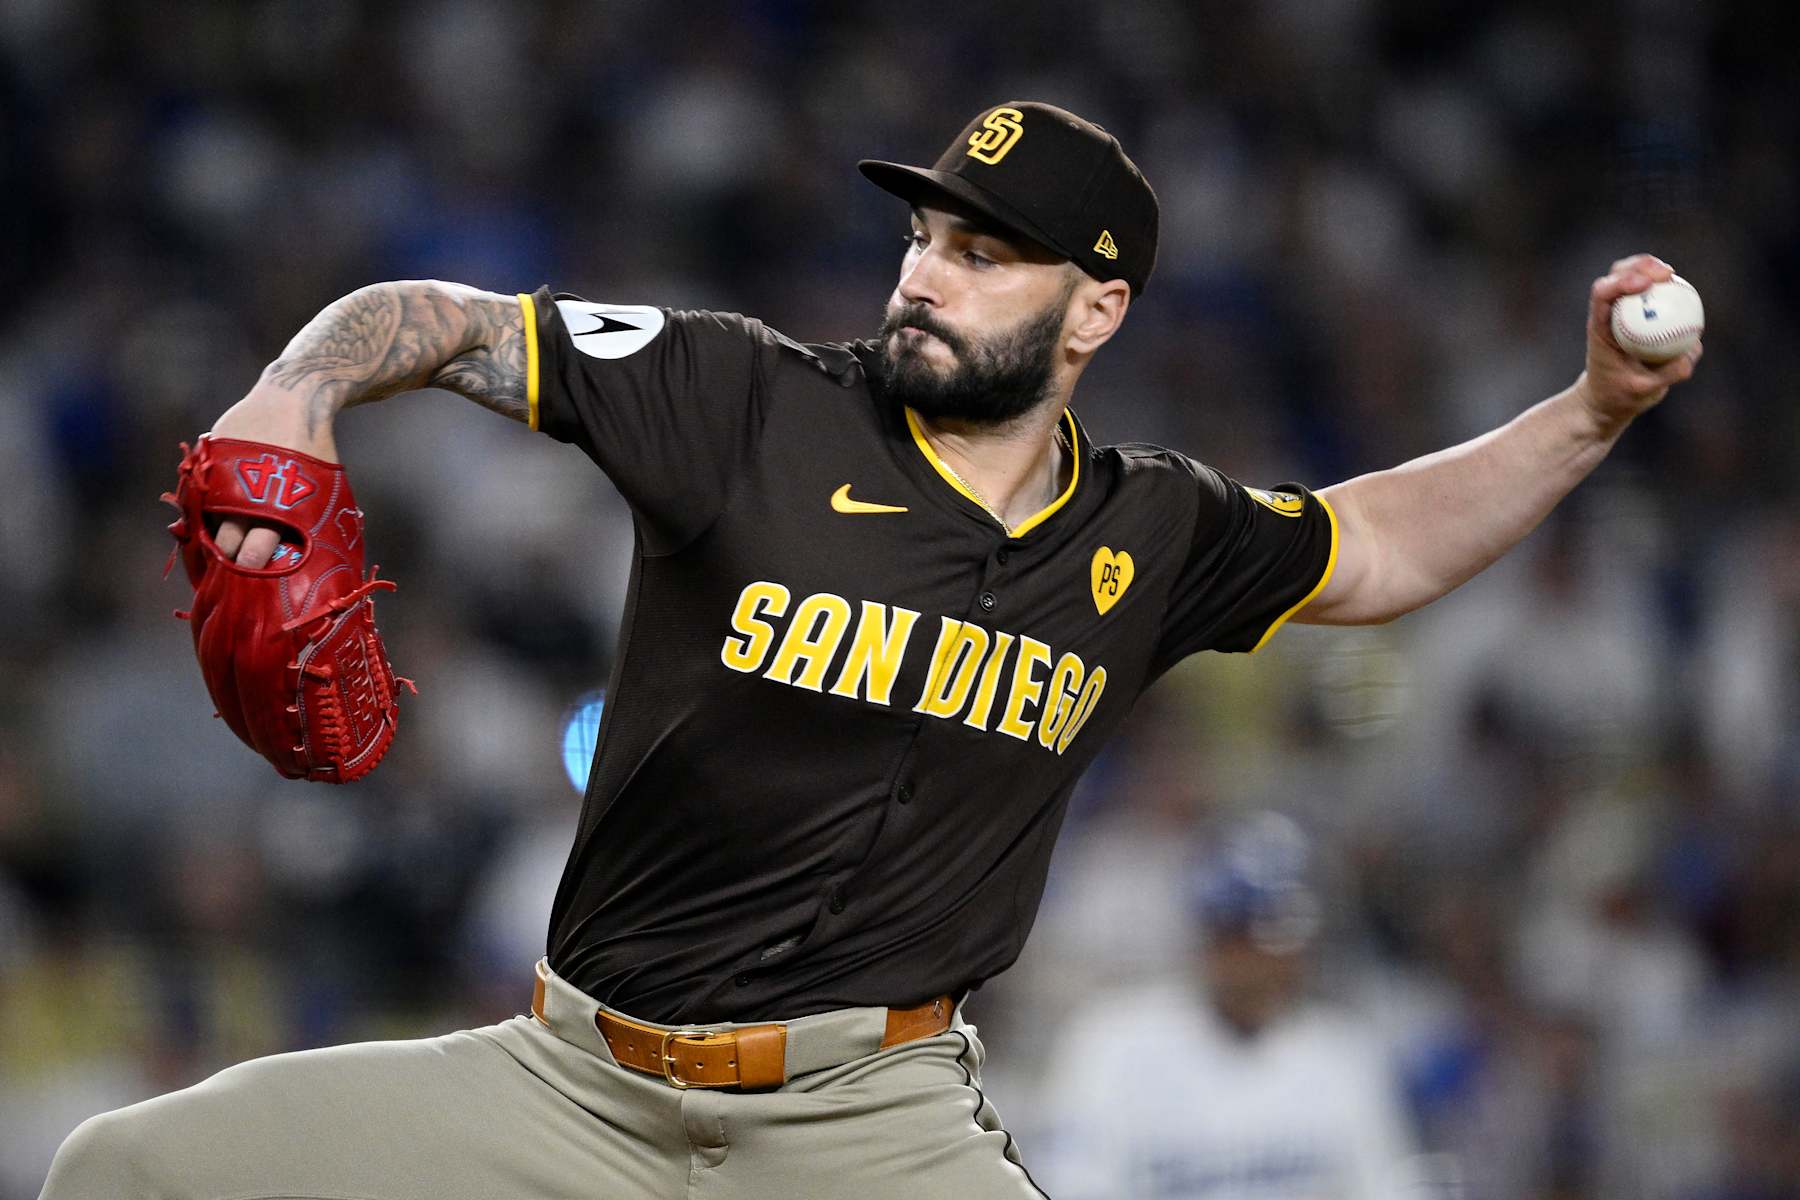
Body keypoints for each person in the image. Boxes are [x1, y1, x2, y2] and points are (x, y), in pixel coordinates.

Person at [42, 100, 1698, 1199]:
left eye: (984, 254)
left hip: (867, 1127)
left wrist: (1589, 413)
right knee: (127, 1174)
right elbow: (457, 322)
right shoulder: (739, 396)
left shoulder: (1153, 533)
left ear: (1097, 312)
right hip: (567, 1089)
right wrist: (299, 388)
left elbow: (1386, 541)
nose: (928, 271)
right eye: (923, 235)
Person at [1036, 813, 1423, 1199]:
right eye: (1238, 935)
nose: (1256, 959)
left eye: (1279, 938)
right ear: (1208, 937)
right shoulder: (1112, 1042)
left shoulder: (1345, 1054)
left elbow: (1390, 1188)